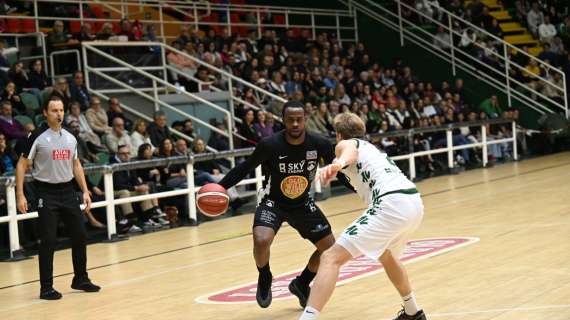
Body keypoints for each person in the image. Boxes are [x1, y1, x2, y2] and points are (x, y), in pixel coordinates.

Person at [218, 101, 354, 309]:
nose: (295, 124)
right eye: (290, 120)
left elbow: (337, 171)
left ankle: (301, 283)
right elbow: (245, 168)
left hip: (302, 204)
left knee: (329, 249)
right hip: (272, 202)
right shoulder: (270, 145)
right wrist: (220, 187)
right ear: (284, 121)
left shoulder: (319, 143)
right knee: (261, 240)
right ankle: (265, 276)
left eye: (299, 119)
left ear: (305, 120)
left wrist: (359, 188)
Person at [299, 113, 425, 320]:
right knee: (387, 255)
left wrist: (337, 164)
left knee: (330, 258)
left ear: (338, 135)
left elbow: (349, 152)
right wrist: (337, 166)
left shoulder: (345, 144)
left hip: (391, 204)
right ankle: (413, 312)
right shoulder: (372, 148)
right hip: (413, 202)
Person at [15, 97, 100, 300]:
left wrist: (85, 190)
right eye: (54, 110)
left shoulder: (70, 137)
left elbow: (76, 164)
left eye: (61, 110)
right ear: (45, 112)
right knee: (49, 240)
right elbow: (21, 165)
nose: (59, 114)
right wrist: (20, 194)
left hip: (68, 192)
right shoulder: (36, 136)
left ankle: (81, 278)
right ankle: (46, 287)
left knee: (80, 235)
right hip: (46, 192)